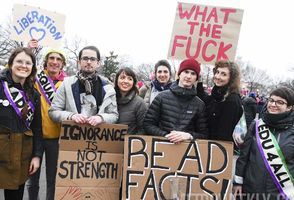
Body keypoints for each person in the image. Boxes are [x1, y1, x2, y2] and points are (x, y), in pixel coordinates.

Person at [233, 87, 294, 200]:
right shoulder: (256, 125)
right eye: (271, 100)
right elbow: (243, 157)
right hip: (250, 191)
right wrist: (238, 182)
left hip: (280, 194)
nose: (273, 104)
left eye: (280, 102)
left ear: (289, 107)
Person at [0, 47, 43, 200]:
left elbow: (37, 128)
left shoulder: (34, 95)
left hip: (21, 153)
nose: (23, 65)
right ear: (10, 64)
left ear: (32, 68)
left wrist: (37, 156)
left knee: (15, 196)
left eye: (28, 63)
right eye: (19, 61)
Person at [26, 49, 67, 200]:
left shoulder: (67, 83)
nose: (54, 62)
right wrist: (30, 49)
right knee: (32, 178)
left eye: (58, 59)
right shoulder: (35, 78)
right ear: (46, 60)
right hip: (34, 136)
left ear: (62, 64)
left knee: (52, 179)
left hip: (55, 138)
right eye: (51, 58)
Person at [48, 45, 118, 125]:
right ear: (79, 62)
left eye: (92, 59)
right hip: (72, 135)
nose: (88, 62)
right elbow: (53, 112)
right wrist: (71, 116)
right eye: (85, 58)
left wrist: (101, 118)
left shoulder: (108, 88)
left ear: (98, 63)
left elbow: (114, 115)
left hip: (98, 136)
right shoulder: (66, 84)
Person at [144, 58, 208, 143]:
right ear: (179, 74)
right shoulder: (161, 97)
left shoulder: (199, 104)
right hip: (162, 148)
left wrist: (188, 135)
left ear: (196, 78)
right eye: (186, 72)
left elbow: (204, 134)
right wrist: (166, 136)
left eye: (193, 73)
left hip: (186, 151)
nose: (188, 76)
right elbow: (148, 124)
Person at [197, 60, 243, 143]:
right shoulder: (217, 93)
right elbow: (204, 99)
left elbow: (224, 134)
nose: (218, 76)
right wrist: (199, 80)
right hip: (209, 144)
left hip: (217, 147)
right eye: (217, 72)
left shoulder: (232, 100)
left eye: (223, 74)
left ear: (231, 78)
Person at [115, 67, 147, 134]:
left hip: (129, 143)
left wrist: (130, 142)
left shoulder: (140, 103)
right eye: (122, 78)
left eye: (129, 79)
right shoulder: (109, 100)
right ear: (116, 80)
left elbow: (143, 129)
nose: (126, 81)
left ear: (133, 82)